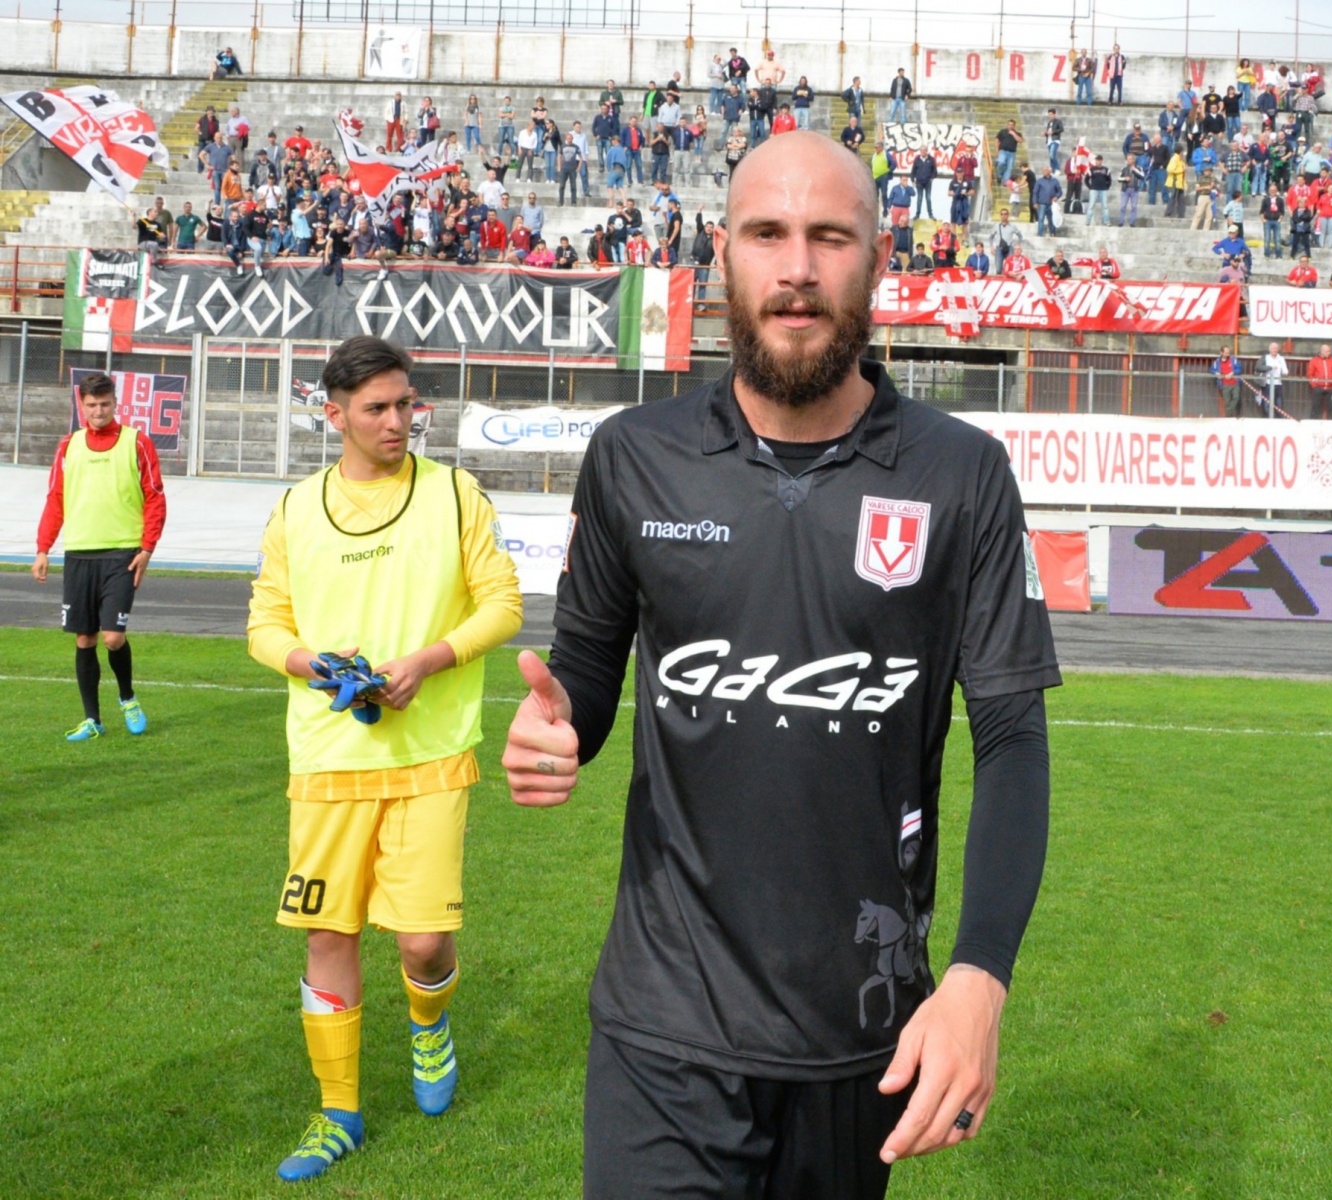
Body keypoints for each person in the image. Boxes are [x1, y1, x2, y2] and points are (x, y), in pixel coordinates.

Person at [501, 129, 1058, 1200]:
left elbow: (1010, 738)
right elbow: (583, 669)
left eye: (827, 237)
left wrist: (981, 977)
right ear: (722, 256)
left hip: (858, 1033)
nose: (796, 268)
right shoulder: (634, 458)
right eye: (766, 234)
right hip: (663, 1024)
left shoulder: (962, 475)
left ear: (877, 257)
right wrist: (559, 723)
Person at [248, 336, 522, 1183]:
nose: (399, 421)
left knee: (423, 946)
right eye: (377, 408)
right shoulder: (296, 508)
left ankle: (430, 1024)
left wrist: (427, 662)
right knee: (328, 934)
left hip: (431, 754)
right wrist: (312, 664)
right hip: (328, 758)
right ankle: (338, 1114)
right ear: (334, 415)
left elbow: (504, 605)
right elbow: (266, 627)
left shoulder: (453, 495)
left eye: (406, 404)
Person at [31, 372, 166, 741]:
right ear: (81, 405)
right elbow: (55, 499)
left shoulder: (137, 443)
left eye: (105, 404)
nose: (98, 411)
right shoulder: (68, 446)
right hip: (78, 555)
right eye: (91, 405)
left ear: (115, 403)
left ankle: (127, 697)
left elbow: (155, 497)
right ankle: (93, 720)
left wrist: (147, 548)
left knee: (112, 638)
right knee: (84, 639)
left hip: (122, 553)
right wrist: (43, 548)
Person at [1306, 344, 1332, 418]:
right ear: (1322, 351)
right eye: (1327, 351)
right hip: (1318, 387)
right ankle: (1312, 425)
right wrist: (1314, 385)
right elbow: (1310, 374)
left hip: (1330, 387)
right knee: (1316, 407)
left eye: (1329, 351)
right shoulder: (1314, 360)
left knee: (1331, 407)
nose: (1329, 353)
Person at [1209, 346, 1244, 416]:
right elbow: (1211, 370)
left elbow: (1240, 368)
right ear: (1221, 353)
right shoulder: (1217, 362)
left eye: (1228, 353)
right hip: (1224, 384)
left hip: (1235, 383)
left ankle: (1229, 414)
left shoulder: (1233, 359)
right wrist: (1216, 373)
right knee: (1227, 402)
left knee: (1236, 398)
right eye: (1226, 353)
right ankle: (1229, 417)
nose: (1227, 354)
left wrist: (1233, 372)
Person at [1261, 342, 1289, 417]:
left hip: (1278, 384)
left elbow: (1285, 371)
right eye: (1273, 348)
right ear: (1269, 349)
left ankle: (1279, 422)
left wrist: (1283, 373)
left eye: (1276, 348)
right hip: (1267, 384)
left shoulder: (1281, 359)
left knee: (1279, 405)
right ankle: (1267, 420)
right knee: (1266, 405)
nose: (1275, 350)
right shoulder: (1265, 357)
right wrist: (1270, 367)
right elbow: (1259, 368)